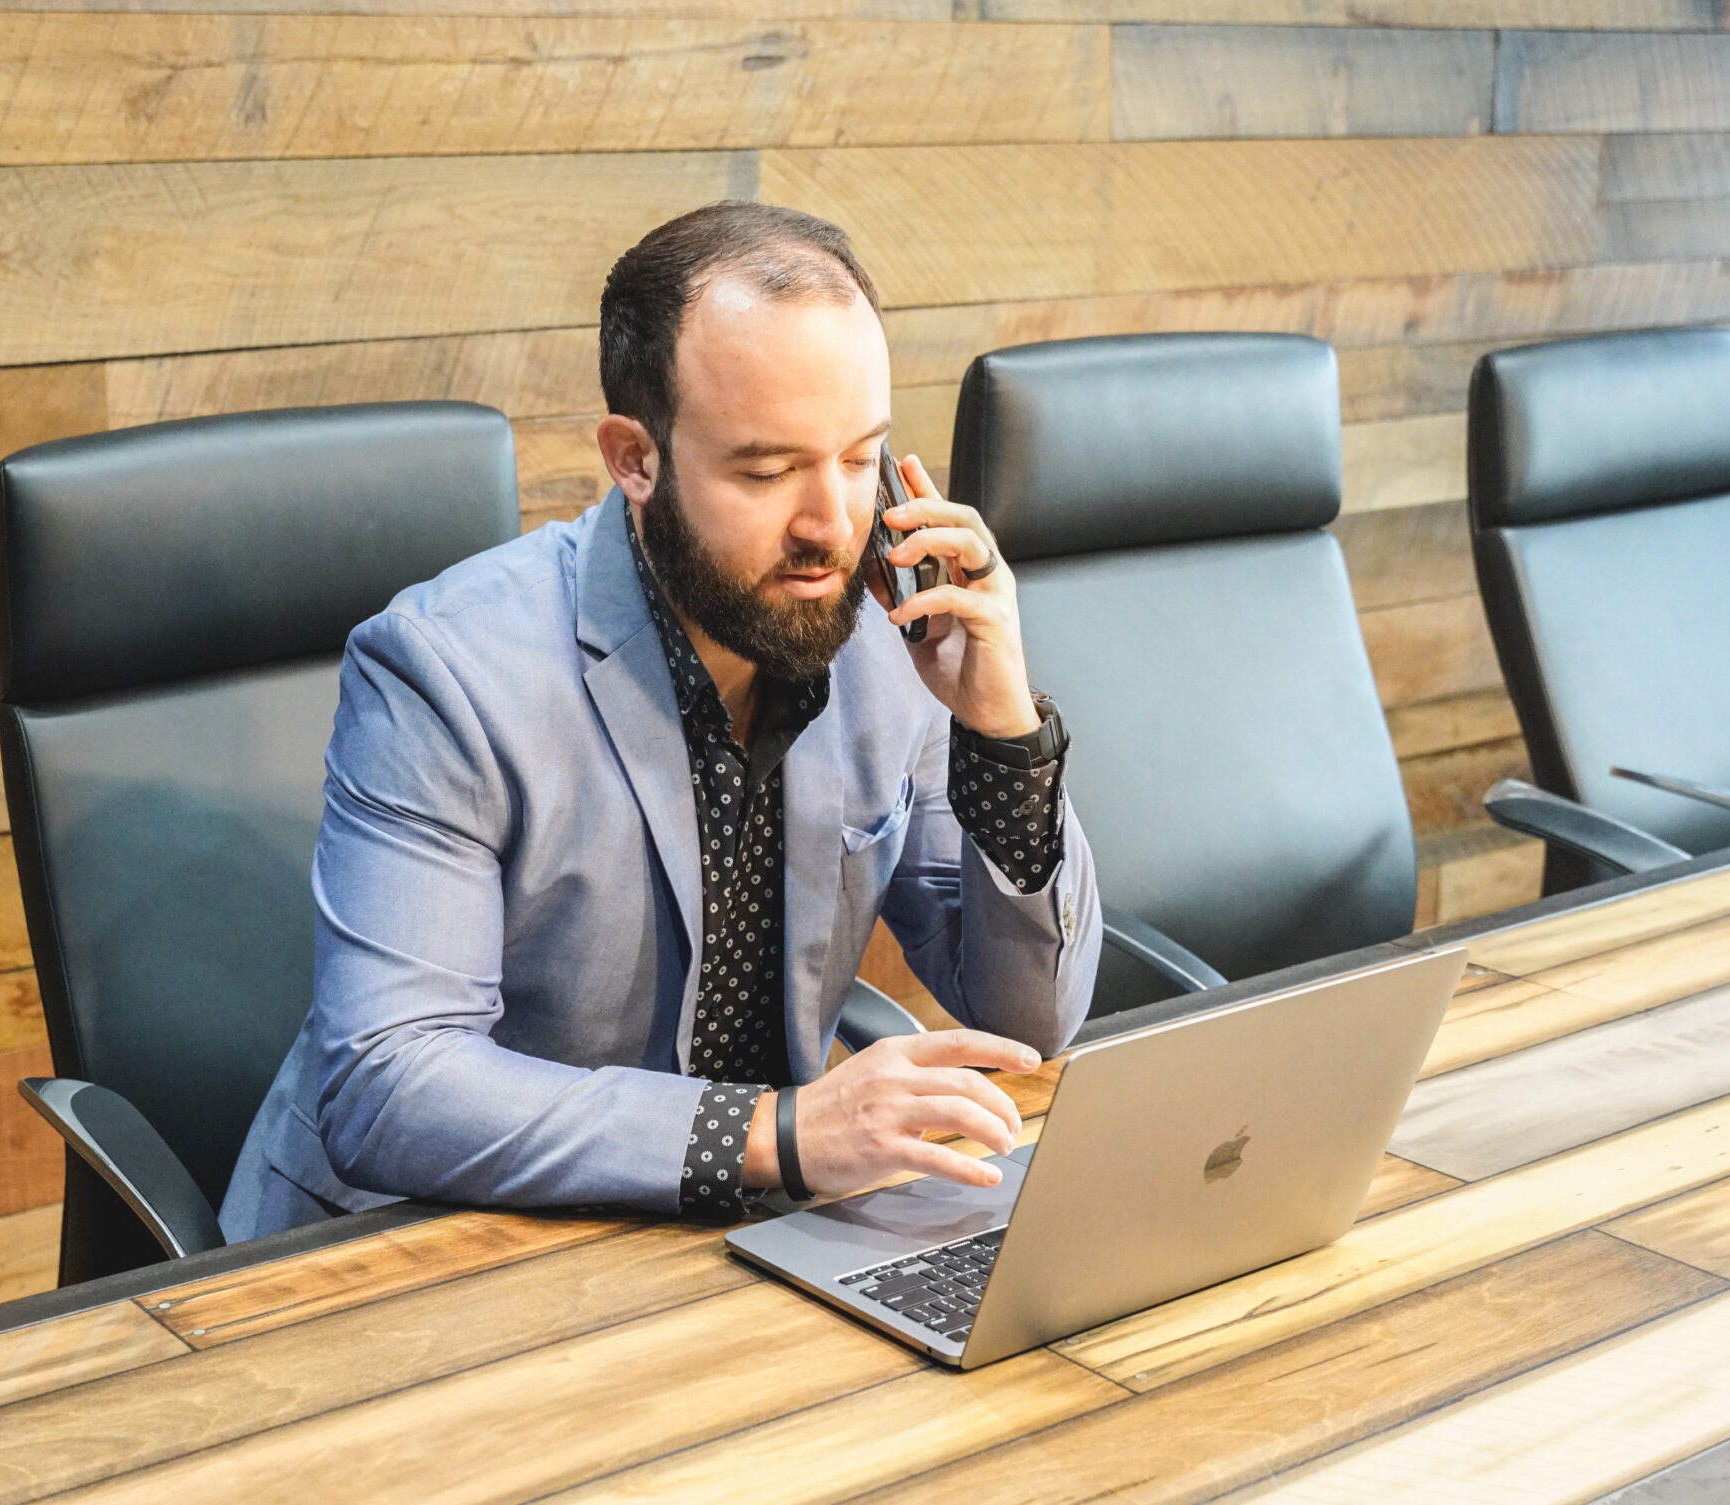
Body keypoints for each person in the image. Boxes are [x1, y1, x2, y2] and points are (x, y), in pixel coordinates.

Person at [219, 201, 1101, 1243]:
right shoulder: (445, 671)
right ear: (635, 458)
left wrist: (1002, 731)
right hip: (429, 1245)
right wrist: (772, 1134)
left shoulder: (887, 636)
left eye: (860, 459)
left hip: (734, 1239)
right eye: (767, 472)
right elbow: (392, 1085)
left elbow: (1026, 1021)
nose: (831, 525)